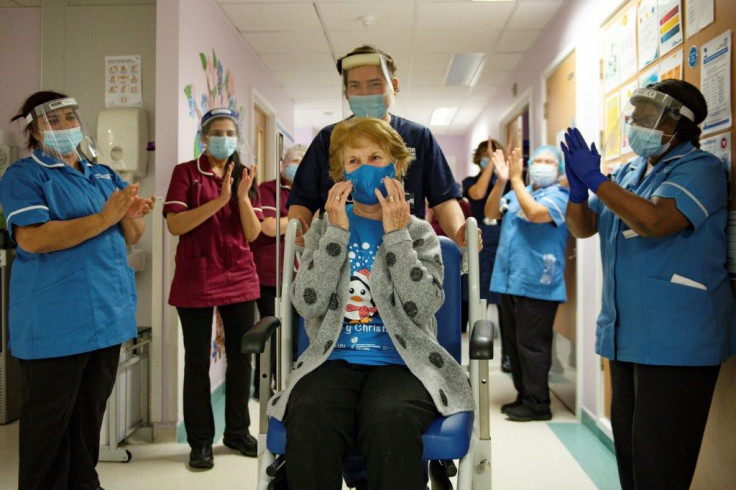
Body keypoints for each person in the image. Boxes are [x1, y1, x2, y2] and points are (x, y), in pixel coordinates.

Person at [267, 117, 474, 490]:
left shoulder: (419, 232)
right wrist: (334, 235)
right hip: (333, 358)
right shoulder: (323, 228)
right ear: (339, 175)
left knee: (389, 417)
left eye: (376, 157)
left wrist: (396, 237)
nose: (365, 169)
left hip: (403, 361)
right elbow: (307, 304)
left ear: (396, 165)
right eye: (353, 161)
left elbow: (422, 306)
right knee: (310, 412)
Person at [562, 79, 735, 490]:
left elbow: (655, 222)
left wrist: (597, 180)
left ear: (679, 124)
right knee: (632, 454)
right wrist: (577, 192)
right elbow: (584, 228)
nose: (635, 123)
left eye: (646, 116)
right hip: (627, 335)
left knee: (662, 463)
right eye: (633, 115)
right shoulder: (630, 172)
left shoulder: (701, 169)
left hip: (679, 341)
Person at [0, 91, 154, 489]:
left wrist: (130, 215)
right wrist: (106, 216)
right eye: (57, 120)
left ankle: (85, 484)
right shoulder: (25, 176)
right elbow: (33, 239)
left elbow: (131, 232)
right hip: (55, 325)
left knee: (89, 419)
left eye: (72, 117)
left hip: (105, 317)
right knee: (48, 426)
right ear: (35, 129)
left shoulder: (102, 173)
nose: (68, 125)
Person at [286, 44, 470, 248]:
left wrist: (459, 233)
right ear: (346, 92)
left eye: (374, 84)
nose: (365, 93)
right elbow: (302, 200)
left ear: (394, 85)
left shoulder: (418, 137)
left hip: (405, 251)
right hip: (342, 256)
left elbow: (443, 199)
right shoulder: (328, 140)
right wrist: (298, 231)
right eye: (355, 85)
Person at [163, 107, 262, 469]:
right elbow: (176, 225)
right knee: (197, 362)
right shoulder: (186, 174)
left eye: (230, 132)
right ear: (204, 138)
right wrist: (219, 201)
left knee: (241, 358)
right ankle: (200, 441)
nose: (224, 139)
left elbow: (252, 234)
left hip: (238, 274)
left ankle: (237, 431)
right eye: (217, 132)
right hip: (196, 277)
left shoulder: (243, 176)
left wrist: (241, 197)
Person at [485, 144, 569, 422]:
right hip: (510, 281)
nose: (542, 164)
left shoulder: (560, 196)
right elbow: (491, 213)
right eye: (538, 160)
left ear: (559, 169)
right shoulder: (520, 191)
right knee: (514, 344)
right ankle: (524, 396)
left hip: (538, 282)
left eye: (549, 161)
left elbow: (534, 213)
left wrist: (517, 179)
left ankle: (538, 403)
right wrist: (502, 181)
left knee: (533, 346)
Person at [251, 143, 306, 398]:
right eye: (292, 160)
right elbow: (269, 227)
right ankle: (265, 388)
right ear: (283, 162)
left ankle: (292, 385)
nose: (296, 164)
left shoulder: (310, 191)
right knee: (272, 333)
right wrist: (302, 220)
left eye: (301, 160)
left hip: (303, 277)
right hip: (270, 275)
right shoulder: (268, 190)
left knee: (296, 335)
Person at [462, 138, 509, 369]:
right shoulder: (470, 182)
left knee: (505, 304)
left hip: (504, 246)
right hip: (480, 245)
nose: (487, 159)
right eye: (484, 156)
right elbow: (478, 194)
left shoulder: (506, 183)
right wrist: (491, 163)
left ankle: (508, 357)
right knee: (477, 300)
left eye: (492, 156)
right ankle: (476, 355)